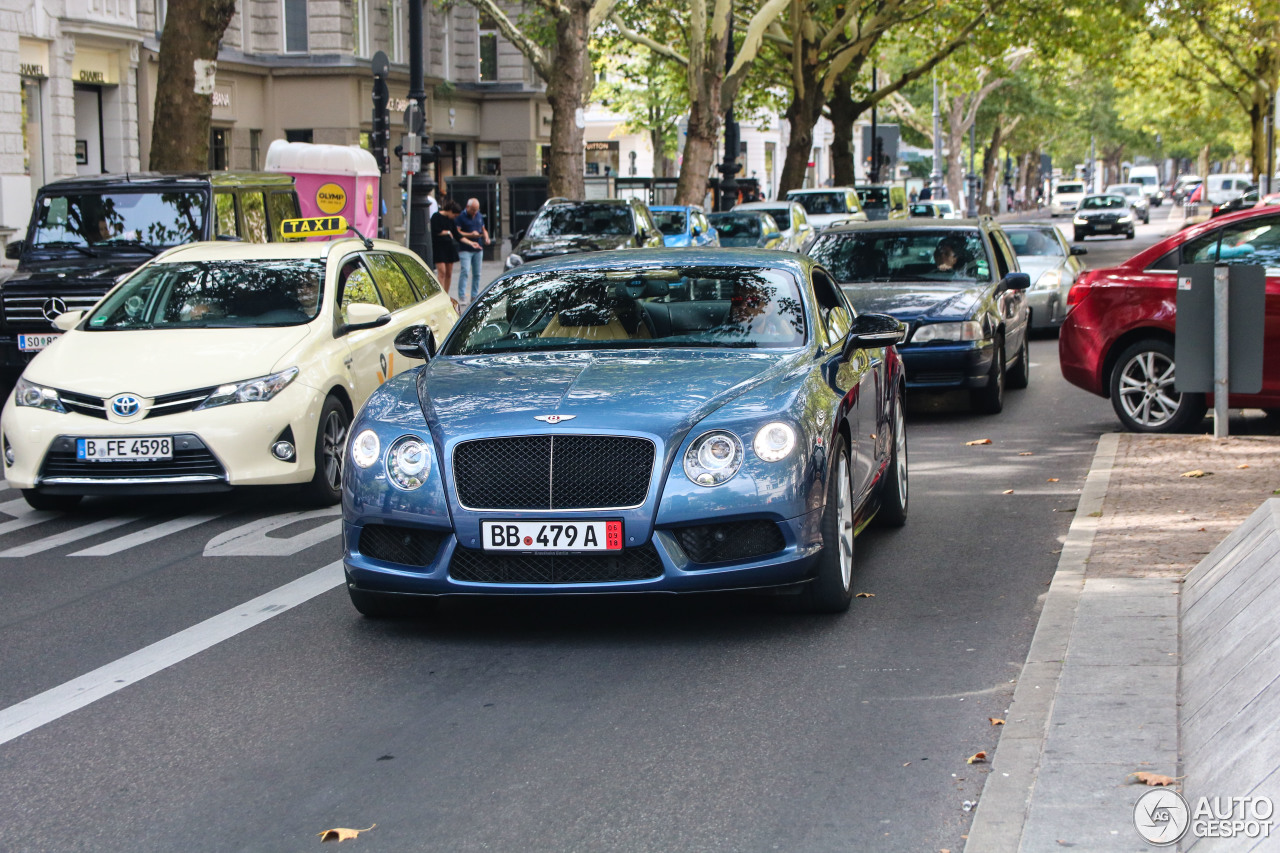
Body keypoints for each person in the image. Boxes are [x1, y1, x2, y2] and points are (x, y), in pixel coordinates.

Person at [431, 199, 479, 307]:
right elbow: (435, 231)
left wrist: (471, 243)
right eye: (455, 215)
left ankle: (446, 295)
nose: (455, 217)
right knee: (441, 272)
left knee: (448, 273)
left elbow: (457, 235)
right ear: (450, 211)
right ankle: (440, 295)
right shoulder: (436, 217)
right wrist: (447, 232)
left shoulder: (451, 220)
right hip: (439, 247)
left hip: (449, 248)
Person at [455, 198, 491, 307]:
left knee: (477, 273)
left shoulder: (479, 215)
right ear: (467, 207)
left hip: (478, 248)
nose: (474, 212)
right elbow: (458, 232)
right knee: (465, 271)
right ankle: (462, 295)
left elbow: (483, 228)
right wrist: (471, 234)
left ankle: (474, 295)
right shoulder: (461, 216)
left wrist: (486, 237)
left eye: (476, 210)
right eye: (473, 210)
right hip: (465, 248)